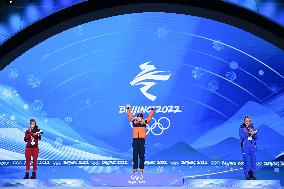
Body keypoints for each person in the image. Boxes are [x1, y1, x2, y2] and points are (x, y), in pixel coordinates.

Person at [126, 104, 154, 174]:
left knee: (142, 154)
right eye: (138, 117)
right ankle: (135, 168)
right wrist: (128, 108)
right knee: (135, 154)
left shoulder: (144, 122)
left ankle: (142, 168)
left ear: (142, 118)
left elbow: (150, 117)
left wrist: (152, 109)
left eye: (140, 117)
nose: (138, 118)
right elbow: (130, 116)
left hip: (142, 140)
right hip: (135, 140)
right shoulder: (134, 122)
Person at [239, 116, 258, 180]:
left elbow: (256, 138)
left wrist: (253, 133)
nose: (247, 122)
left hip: (252, 146)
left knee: (253, 161)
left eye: (249, 121)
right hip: (245, 146)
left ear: (250, 122)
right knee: (246, 161)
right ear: (244, 121)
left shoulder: (253, 128)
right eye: (246, 121)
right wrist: (248, 133)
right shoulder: (241, 128)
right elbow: (241, 137)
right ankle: (247, 176)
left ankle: (253, 175)